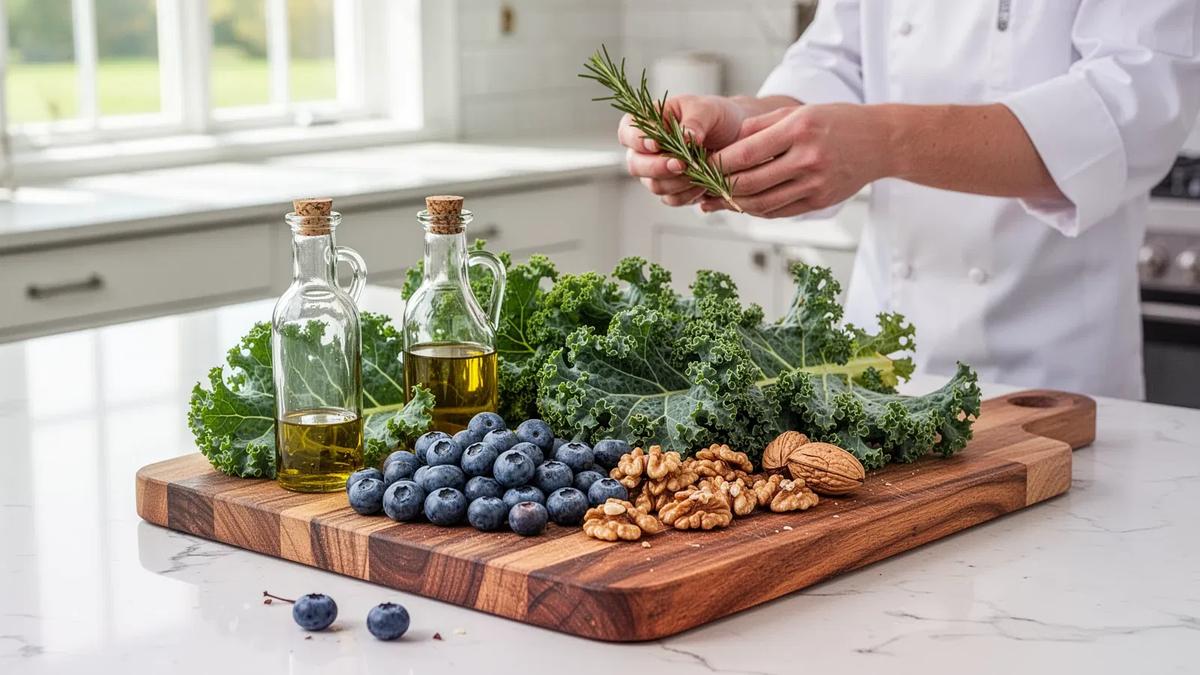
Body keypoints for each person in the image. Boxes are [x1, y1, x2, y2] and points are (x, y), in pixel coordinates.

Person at [620, 2, 1200, 399]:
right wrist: (743, 122)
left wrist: (883, 141)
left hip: (1049, 379)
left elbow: (1132, 108)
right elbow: (833, 65)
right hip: (877, 368)